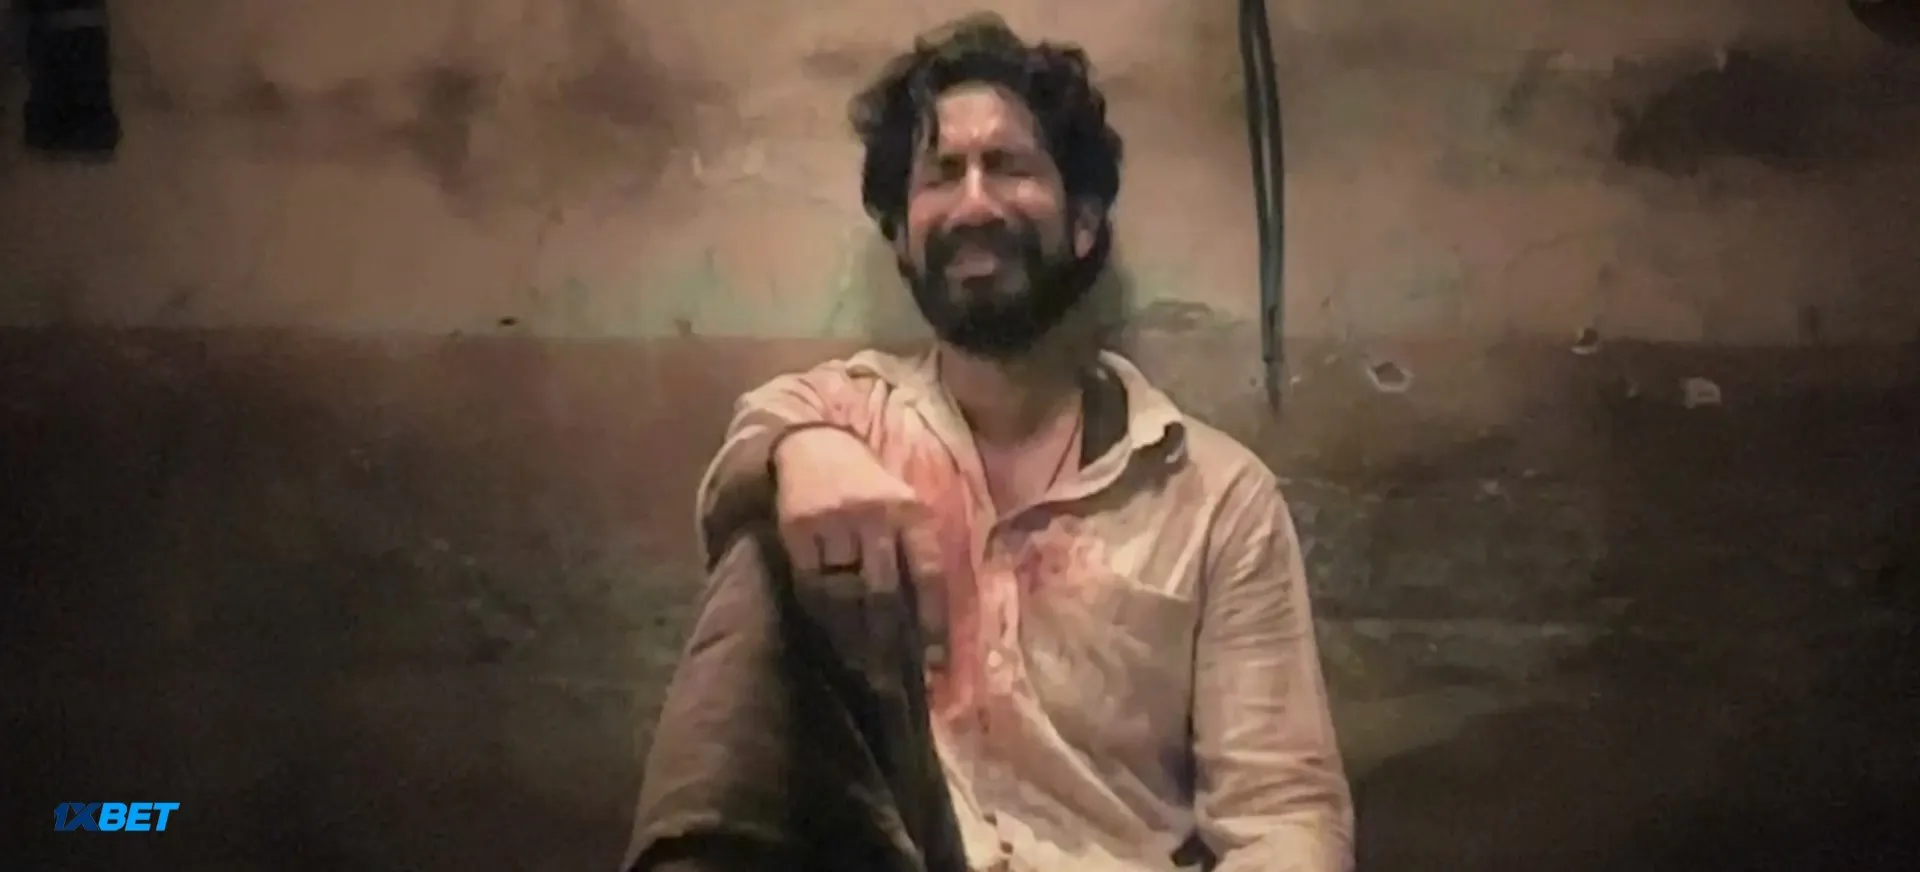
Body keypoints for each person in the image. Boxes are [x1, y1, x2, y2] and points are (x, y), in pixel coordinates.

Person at [622, 13, 1353, 872]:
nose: (973, 204)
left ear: (1084, 221)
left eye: (1008, 166)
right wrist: (801, 453)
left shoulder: (1217, 497)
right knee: (764, 541)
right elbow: (752, 441)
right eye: (941, 175)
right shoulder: (848, 416)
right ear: (902, 236)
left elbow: (1283, 817)